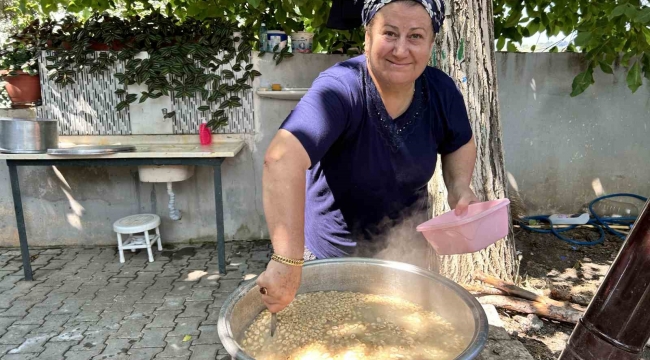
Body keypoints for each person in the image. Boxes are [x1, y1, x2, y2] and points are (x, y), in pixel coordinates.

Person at [257, 0, 479, 314]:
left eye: (415, 36)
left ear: (431, 43)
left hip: (408, 254)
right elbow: (282, 159)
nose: (401, 50)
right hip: (331, 259)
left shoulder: (440, 90)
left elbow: (459, 141)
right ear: (368, 37)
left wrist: (459, 187)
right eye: (390, 33)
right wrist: (286, 260)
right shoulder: (340, 88)